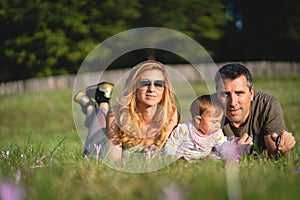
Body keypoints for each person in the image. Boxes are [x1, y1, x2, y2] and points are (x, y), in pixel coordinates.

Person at [74, 60, 179, 159]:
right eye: (145, 83)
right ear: (134, 87)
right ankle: (101, 103)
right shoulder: (117, 114)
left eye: (158, 84)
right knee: (98, 124)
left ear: (165, 89)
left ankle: (91, 106)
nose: (151, 89)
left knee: (96, 118)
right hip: (100, 147)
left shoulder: (171, 115)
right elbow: (113, 160)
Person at [214, 63, 296, 157]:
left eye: (239, 93)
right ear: (216, 95)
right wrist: (228, 152)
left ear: (251, 93)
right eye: (225, 94)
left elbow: (275, 152)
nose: (233, 102)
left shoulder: (266, 104)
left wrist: (284, 148)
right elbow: (198, 153)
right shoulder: (208, 109)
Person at [164, 94, 252, 162]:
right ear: (198, 120)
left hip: (203, 157)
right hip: (184, 156)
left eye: (219, 121)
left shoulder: (216, 133)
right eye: (214, 122)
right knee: (178, 158)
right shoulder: (183, 130)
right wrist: (170, 155)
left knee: (216, 156)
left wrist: (232, 149)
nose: (218, 125)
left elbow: (222, 145)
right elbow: (172, 143)